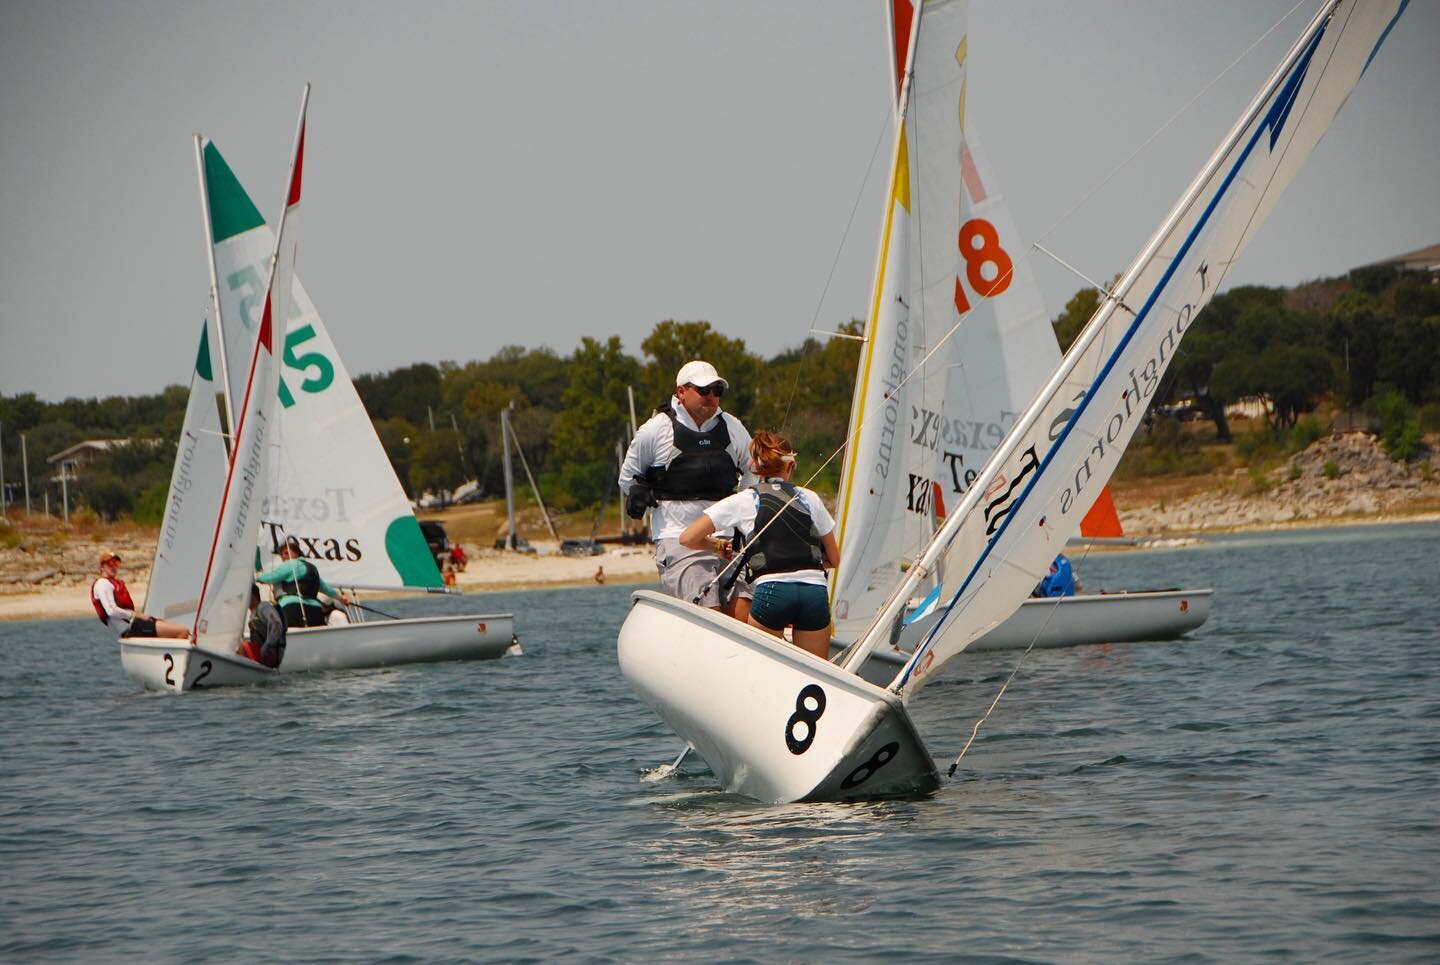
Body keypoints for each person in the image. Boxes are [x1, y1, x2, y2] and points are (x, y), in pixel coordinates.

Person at [680, 431, 840, 659]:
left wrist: (717, 547)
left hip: (772, 593)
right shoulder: (810, 498)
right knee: (814, 675)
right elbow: (834, 560)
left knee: (762, 669)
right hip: (814, 593)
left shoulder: (743, 500)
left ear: (754, 467)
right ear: (791, 466)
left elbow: (688, 538)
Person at [620, 360, 756, 618]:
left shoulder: (733, 427)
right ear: (681, 392)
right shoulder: (656, 429)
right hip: (678, 538)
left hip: (728, 538)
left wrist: (743, 509)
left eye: (717, 391)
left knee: (744, 613)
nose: (712, 397)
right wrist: (638, 491)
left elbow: (752, 470)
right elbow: (627, 477)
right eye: (704, 391)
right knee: (710, 613)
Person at [90, 551, 189, 639]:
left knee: (174, 628)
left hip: (135, 625)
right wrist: (137, 615)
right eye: (110, 563)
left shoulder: (111, 583)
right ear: (102, 566)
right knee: (183, 631)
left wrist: (144, 618)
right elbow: (111, 611)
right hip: (131, 629)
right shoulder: (103, 584)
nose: (113, 567)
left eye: (116, 563)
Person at [256, 536, 351, 628]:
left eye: (286, 553)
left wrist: (257, 573)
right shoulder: (312, 569)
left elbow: (269, 578)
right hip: (316, 610)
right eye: (282, 555)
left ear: (297, 554)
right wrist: (342, 599)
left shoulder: (291, 564)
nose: (284, 556)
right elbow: (326, 589)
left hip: (293, 608)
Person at [241, 584, 286, 668]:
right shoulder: (253, 613)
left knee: (243, 646)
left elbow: (277, 625)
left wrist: (266, 647)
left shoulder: (263, 607)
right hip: (262, 655)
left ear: (253, 596)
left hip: (269, 654)